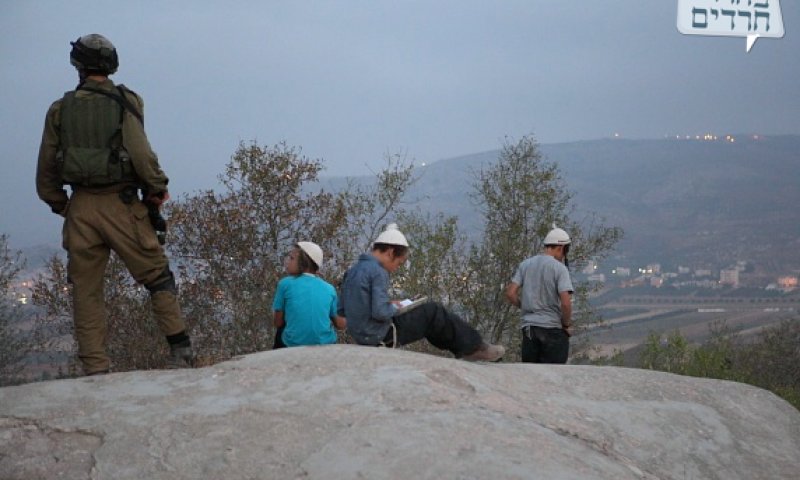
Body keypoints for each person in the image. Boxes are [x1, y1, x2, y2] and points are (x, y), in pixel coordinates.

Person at [35, 34, 193, 375]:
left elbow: (46, 169)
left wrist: (64, 205)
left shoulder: (60, 109)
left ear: (78, 64)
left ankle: (96, 369)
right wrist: (157, 188)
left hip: (81, 207)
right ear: (112, 63)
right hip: (122, 206)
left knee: (86, 291)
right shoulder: (126, 101)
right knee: (157, 277)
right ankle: (181, 352)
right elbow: (140, 152)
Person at [339, 224, 505, 361]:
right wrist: (397, 308)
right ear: (390, 253)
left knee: (431, 321)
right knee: (433, 312)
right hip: (381, 335)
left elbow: (342, 310)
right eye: (399, 263)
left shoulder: (353, 271)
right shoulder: (377, 271)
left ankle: (465, 350)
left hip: (363, 335)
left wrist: (388, 304)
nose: (397, 268)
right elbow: (381, 312)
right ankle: (474, 348)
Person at [505, 226, 574, 364]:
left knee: (531, 377)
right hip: (553, 330)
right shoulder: (559, 269)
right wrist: (566, 325)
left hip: (529, 330)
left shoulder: (525, 265)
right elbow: (566, 303)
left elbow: (510, 293)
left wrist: (524, 306)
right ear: (561, 248)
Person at [272, 242, 346, 348]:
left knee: (282, 330)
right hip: (326, 344)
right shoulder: (329, 288)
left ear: (303, 263)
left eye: (292, 258)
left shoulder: (285, 284)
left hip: (293, 345)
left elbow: (278, 322)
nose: (288, 262)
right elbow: (340, 324)